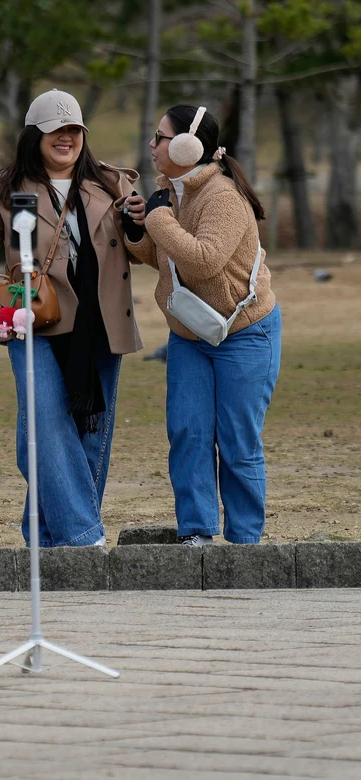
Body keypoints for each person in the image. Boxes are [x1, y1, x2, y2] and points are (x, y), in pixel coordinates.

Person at [0, 89, 142, 548]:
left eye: (74, 130)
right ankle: (82, 537)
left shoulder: (114, 183)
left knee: (90, 433)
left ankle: (46, 540)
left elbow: (141, 250)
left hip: (101, 323)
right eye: (55, 131)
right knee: (47, 425)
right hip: (34, 320)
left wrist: (140, 226)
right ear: (35, 135)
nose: (66, 138)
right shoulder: (5, 187)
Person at [124, 104, 279, 547]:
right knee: (188, 433)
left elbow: (205, 261)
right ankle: (197, 535)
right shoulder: (171, 192)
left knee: (237, 442)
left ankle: (245, 545)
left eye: (160, 137)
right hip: (190, 335)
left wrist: (157, 220)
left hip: (244, 333)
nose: (151, 145)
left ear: (188, 147)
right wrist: (136, 231)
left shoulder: (222, 197)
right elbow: (167, 259)